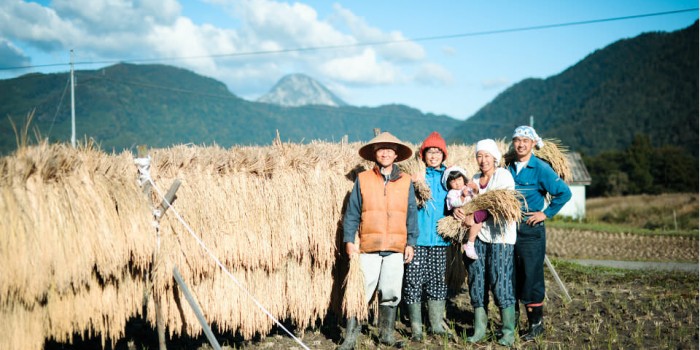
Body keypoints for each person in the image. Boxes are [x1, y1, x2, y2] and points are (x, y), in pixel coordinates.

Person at [339, 131, 418, 349]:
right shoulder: (363, 180)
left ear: (396, 155)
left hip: (395, 246)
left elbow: (411, 214)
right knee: (361, 291)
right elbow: (352, 213)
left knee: (391, 292)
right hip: (368, 247)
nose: (385, 153)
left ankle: (386, 335)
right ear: (375, 153)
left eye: (389, 149)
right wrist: (349, 240)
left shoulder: (406, 181)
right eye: (381, 149)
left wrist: (411, 242)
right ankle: (351, 337)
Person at [507, 125, 572, 341]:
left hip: (531, 231)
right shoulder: (507, 167)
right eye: (517, 140)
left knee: (531, 277)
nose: (521, 144)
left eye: (526, 140)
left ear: (533, 143)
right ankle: (512, 325)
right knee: (511, 275)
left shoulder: (541, 167)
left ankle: (536, 325)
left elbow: (564, 192)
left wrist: (546, 214)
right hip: (508, 231)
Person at [453, 139, 518, 346]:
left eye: (487, 156)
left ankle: (508, 331)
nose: (483, 160)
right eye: (479, 156)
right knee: (476, 280)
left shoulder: (503, 176)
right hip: (478, 239)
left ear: (495, 157)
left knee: (500, 281)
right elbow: (468, 202)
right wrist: (459, 210)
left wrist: (476, 217)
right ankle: (480, 328)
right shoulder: (473, 178)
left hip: (501, 238)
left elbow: (501, 204)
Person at [402, 131, 450, 341]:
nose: (433, 156)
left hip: (440, 239)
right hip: (418, 239)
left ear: (443, 155)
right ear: (423, 155)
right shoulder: (414, 177)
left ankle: (436, 324)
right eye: (430, 152)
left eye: (437, 152)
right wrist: (413, 183)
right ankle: (416, 327)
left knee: (438, 281)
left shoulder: (449, 177)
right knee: (413, 280)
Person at [441, 166, 482, 260]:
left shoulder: (467, 188)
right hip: (461, 215)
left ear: (463, 179)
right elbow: (453, 203)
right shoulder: (452, 192)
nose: (457, 183)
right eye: (453, 181)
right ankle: (468, 244)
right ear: (448, 184)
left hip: (471, 212)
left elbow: (476, 198)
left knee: (478, 223)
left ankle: (470, 244)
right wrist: (463, 196)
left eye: (459, 179)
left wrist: (475, 190)